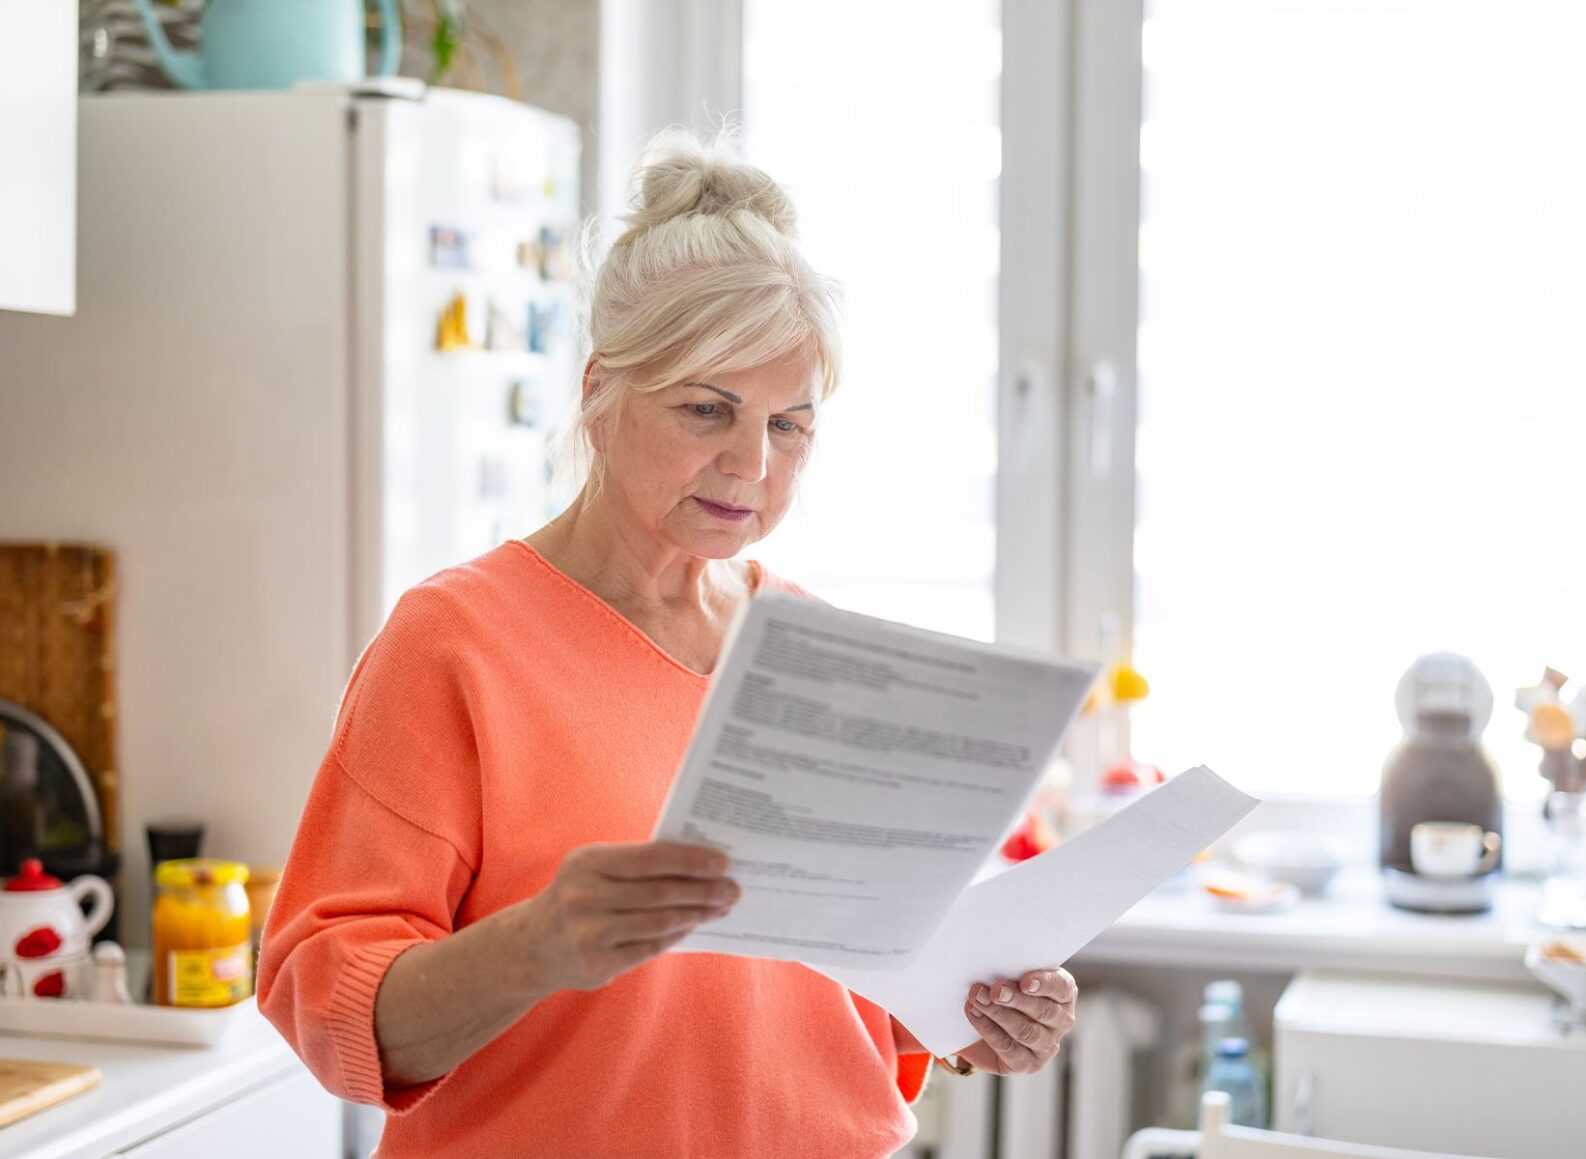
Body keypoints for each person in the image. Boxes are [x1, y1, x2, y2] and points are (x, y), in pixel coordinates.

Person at [257, 129, 1078, 1158]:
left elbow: (803, 995)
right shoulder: (456, 643)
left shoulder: (816, 650)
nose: (751, 464)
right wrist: (536, 946)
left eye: (789, 425)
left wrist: (963, 1008)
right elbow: (330, 1006)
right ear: (599, 395)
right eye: (707, 409)